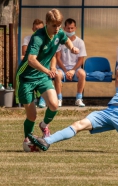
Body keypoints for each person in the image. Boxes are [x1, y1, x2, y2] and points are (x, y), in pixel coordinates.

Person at [16, 9, 80, 152]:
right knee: (32, 115)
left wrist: (72, 47)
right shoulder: (38, 37)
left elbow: (66, 40)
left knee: (54, 104)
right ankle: (28, 139)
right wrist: (47, 70)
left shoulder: (59, 33)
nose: (57, 29)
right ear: (47, 23)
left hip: (42, 76)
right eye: (54, 26)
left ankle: (44, 126)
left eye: (59, 25)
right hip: (26, 78)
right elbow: (31, 60)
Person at [54, 18, 87, 107]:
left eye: (72, 28)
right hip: (62, 68)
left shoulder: (80, 42)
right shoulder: (60, 41)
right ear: (64, 28)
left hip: (75, 69)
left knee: (83, 74)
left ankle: (79, 99)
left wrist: (72, 70)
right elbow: (58, 58)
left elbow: (81, 60)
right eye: (68, 28)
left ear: (75, 28)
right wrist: (65, 71)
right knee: (57, 75)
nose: (70, 30)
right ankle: (59, 99)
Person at [21, 19, 46, 108]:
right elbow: (24, 54)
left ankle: (43, 99)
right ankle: (31, 99)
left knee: (44, 77)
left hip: (42, 66)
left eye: (40, 29)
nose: (38, 31)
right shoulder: (28, 39)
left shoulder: (47, 39)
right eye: (36, 29)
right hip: (31, 65)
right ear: (32, 29)